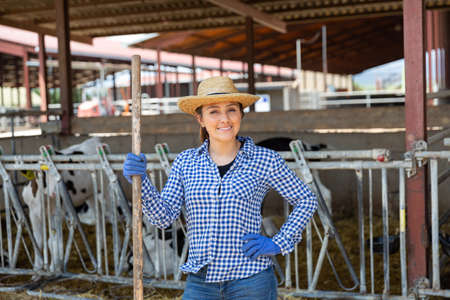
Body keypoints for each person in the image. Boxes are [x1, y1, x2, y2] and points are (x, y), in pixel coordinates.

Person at [123, 76, 318, 300]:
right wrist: (142, 181)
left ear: (241, 114)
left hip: (251, 281)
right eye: (213, 111)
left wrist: (278, 242)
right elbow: (164, 218)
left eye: (231, 110)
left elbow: (306, 200)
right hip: (201, 282)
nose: (224, 119)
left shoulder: (265, 160)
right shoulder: (186, 162)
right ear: (200, 118)